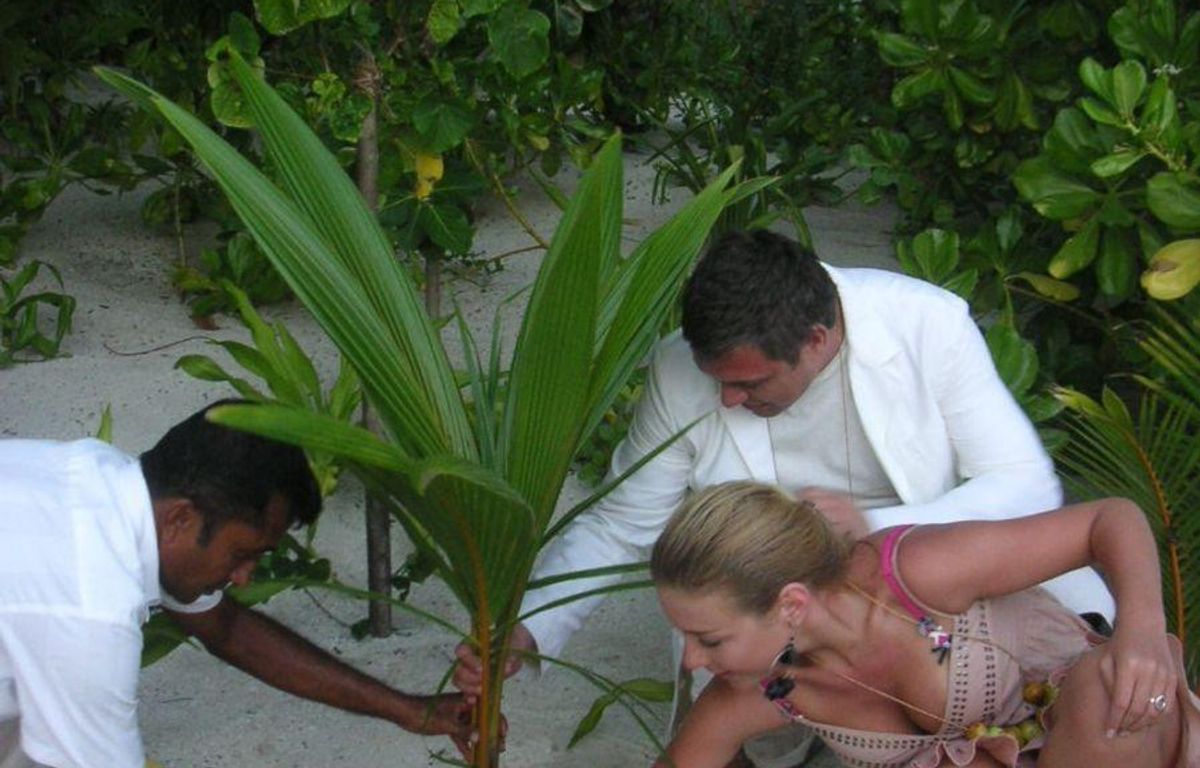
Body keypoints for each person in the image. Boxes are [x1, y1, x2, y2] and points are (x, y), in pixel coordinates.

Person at [455, 229, 1112, 693]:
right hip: (772, 606)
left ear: (816, 340)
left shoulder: (926, 324)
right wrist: (529, 629)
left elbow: (1026, 484)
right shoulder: (681, 369)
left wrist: (872, 527)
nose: (727, 400)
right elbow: (622, 523)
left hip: (927, 583)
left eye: (748, 384)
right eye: (717, 381)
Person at [0, 401, 471, 768]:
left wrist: (409, 710)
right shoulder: (90, 610)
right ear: (180, 519)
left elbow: (228, 630)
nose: (244, 577)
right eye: (242, 554)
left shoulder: (103, 480)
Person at [650, 481, 1199, 768]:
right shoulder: (760, 693)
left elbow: (1108, 519)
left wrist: (1142, 632)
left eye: (709, 639)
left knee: (1109, 699)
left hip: (1115, 742)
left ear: (790, 604)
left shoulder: (913, 575)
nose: (691, 661)